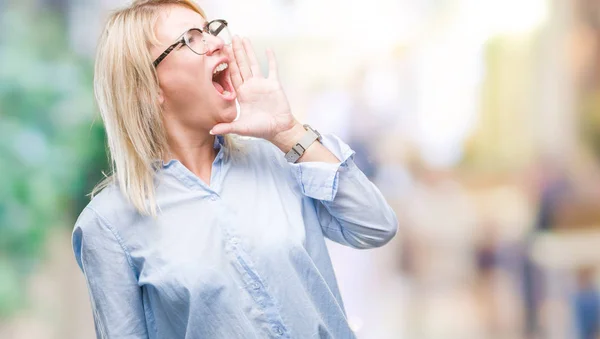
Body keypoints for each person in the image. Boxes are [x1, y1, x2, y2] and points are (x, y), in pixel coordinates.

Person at [71, 0, 398, 338]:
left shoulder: (282, 158)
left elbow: (375, 226)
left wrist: (287, 133)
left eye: (211, 30)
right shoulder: (108, 225)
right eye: (192, 38)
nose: (216, 41)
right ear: (148, 88)